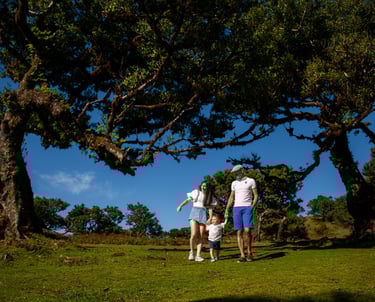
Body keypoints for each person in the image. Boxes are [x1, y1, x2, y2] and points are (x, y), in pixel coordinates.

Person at [224, 164, 258, 263]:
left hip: (247, 207)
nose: (235, 174)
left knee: (247, 230)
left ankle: (249, 253)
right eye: (234, 173)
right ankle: (242, 255)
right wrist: (227, 208)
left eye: (237, 172)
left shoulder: (251, 181)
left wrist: (252, 206)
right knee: (239, 232)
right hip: (236, 208)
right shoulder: (234, 183)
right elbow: (231, 197)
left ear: (242, 170)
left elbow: (256, 195)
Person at [177, 181, 214, 262]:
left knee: (201, 236)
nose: (204, 187)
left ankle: (198, 256)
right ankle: (191, 252)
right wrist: (180, 206)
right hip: (194, 212)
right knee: (194, 234)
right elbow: (188, 200)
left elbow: (210, 208)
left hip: (203, 214)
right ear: (201, 186)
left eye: (206, 186)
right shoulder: (196, 192)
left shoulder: (208, 197)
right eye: (203, 186)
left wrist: (210, 217)